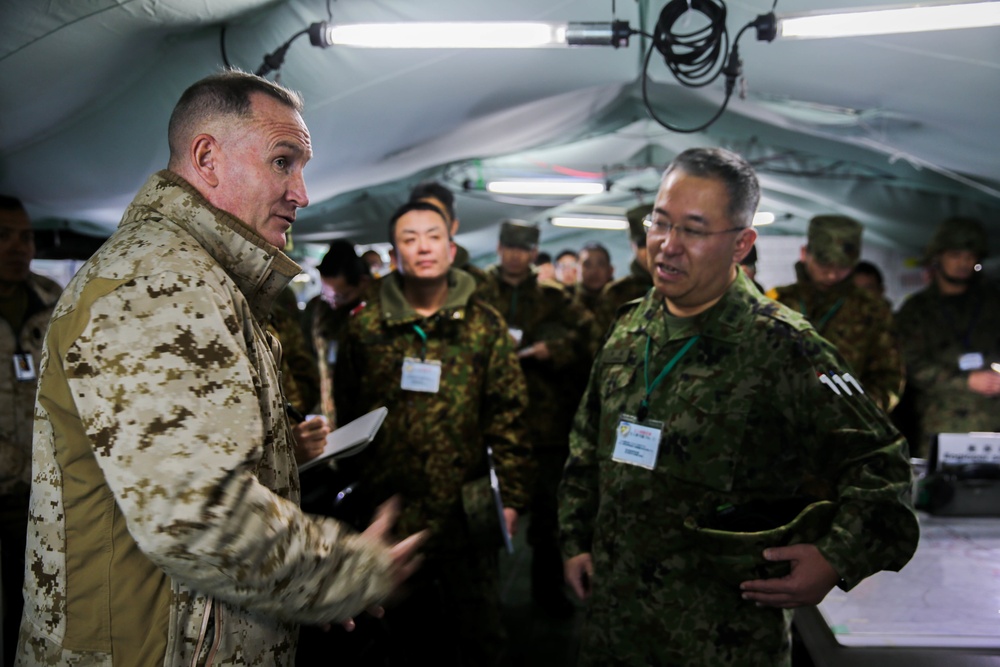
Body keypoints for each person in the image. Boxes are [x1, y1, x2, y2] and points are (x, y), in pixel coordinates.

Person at [16, 70, 425, 665]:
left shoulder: (200, 278)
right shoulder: (160, 283)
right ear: (207, 158)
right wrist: (347, 572)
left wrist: (297, 591)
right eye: (283, 162)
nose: (301, 193)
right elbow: (196, 515)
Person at [559, 147, 919, 666]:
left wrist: (835, 557)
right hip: (614, 625)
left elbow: (882, 463)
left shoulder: (785, 346)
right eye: (660, 222)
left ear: (741, 244)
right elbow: (585, 443)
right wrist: (575, 539)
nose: (668, 244)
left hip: (720, 636)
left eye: (694, 230)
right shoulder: (630, 326)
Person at [334, 201, 531, 666]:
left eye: (433, 236)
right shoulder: (366, 326)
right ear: (395, 254)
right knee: (400, 642)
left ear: (451, 247)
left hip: (468, 511)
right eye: (409, 239)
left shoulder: (484, 324)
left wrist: (511, 498)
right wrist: (363, 496)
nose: (423, 247)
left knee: (477, 638)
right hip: (393, 512)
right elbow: (350, 414)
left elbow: (508, 415)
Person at [477, 220, 596, 619]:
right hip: (488, 422)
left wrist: (554, 349)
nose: (515, 255)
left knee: (548, 519)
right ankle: (484, 601)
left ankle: (548, 595)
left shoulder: (552, 296)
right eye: (510, 247)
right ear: (499, 248)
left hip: (545, 424)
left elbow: (590, 336)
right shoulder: (478, 292)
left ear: (533, 252)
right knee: (484, 517)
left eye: (524, 249)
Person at [0, 196, 62, 665]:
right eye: (4, 236)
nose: (18, 247)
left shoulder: (53, 300)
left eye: (26, 236)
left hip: (41, 494)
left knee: (37, 609)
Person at [766, 216, 904, 413]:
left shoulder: (872, 309)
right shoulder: (777, 302)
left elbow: (888, 376)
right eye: (824, 264)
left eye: (841, 267)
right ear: (804, 253)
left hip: (846, 423)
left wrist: (857, 409)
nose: (831, 274)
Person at [895, 217, 1000, 456]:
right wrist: (964, 381)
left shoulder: (993, 303)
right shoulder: (917, 310)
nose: (964, 263)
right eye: (955, 255)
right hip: (942, 425)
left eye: (970, 256)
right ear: (938, 256)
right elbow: (909, 363)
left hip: (994, 422)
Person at [304, 239, 372, 425]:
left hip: (366, 411)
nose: (333, 303)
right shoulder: (319, 309)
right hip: (331, 410)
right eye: (327, 295)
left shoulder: (375, 313)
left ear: (363, 282)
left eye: (341, 296)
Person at [409, 180, 487, 283]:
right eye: (421, 216)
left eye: (437, 217)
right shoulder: (392, 285)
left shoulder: (478, 283)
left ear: (453, 226)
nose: (428, 224)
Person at [597, 203, 654, 333]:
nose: (651, 250)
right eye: (643, 244)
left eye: (657, 241)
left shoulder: (689, 286)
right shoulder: (616, 294)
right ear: (632, 246)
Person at [574, 242, 614, 318]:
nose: (594, 271)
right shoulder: (568, 306)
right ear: (576, 270)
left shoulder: (626, 301)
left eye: (601, 264)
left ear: (611, 270)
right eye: (587, 265)